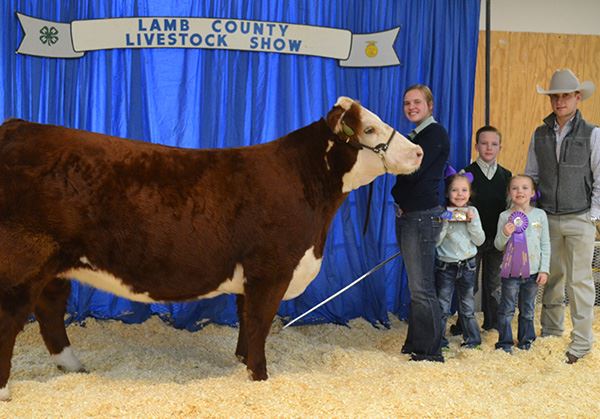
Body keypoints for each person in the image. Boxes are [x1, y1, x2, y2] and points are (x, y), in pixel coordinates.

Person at [524, 68, 599, 363]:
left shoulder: (592, 134)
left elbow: (599, 176)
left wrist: (593, 216)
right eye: (555, 96)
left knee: (580, 281)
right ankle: (552, 335)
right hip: (548, 218)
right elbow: (531, 174)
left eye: (566, 95)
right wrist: (530, 213)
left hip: (580, 217)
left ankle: (581, 344)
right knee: (552, 278)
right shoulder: (539, 134)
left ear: (578, 98)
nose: (560, 101)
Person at [392, 84, 450, 362]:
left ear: (429, 105)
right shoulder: (415, 135)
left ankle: (430, 351)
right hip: (409, 214)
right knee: (416, 285)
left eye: (416, 102)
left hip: (422, 216)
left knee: (422, 286)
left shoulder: (434, 134)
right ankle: (416, 342)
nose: (411, 107)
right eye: (407, 103)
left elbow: (412, 172)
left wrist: (394, 178)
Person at [461, 126, 512, 331]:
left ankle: (493, 323)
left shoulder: (507, 176)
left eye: (494, 144)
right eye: (484, 143)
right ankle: (464, 324)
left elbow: (510, 208)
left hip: (497, 240)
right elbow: (458, 205)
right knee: (468, 284)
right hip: (471, 240)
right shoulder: (466, 174)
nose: (489, 147)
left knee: (494, 285)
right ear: (476, 146)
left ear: (500, 147)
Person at [494, 175, 550, 353]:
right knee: (507, 309)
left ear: (533, 192)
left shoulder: (540, 215)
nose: (520, 192)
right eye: (515, 188)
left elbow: (545, 244)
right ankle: (505, 343)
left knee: (528, 309)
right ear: (509, 192)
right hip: (510, 274)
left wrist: (544, 269)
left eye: (525, 188)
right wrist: (504, 233)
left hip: (533, 273)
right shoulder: (504, 216)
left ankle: (526, 341)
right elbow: (498, 244)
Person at [435, 174, 485, 348]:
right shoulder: (442, 212)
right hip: (445, 266)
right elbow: (435, 242)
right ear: (448, 193)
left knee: (467, 306)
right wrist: (444, 223)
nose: (459, 194)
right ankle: (439, 341)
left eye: (464, 190)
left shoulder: (473, 212)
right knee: (442, 306)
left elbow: (480, 240)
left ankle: (473, 340)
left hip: (468, 265)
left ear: (470, 194)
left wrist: (471, 222)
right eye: (454, 190)